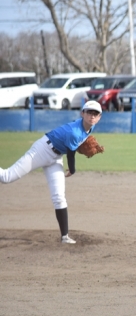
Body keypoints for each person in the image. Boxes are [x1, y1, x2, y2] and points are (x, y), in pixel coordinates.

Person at [0, 100, 103, 244]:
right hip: (42, 150)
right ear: (82, 113)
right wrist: (72, 170)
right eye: (89, 112)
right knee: (6, 177)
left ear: (99, 117)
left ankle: (65, 237)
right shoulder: (74, 132)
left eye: (95, 114)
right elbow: (71, 155)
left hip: (56, 157)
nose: (92, 116)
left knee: (59, 196)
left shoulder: (89, 127)